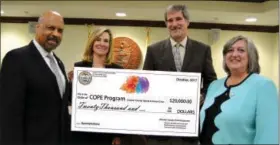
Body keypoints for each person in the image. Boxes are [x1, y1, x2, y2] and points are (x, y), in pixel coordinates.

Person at [143, 4, 217, 145]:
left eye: (178, 19)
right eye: (170, 21)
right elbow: (146, 83)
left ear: (187, 22)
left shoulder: (203, 50)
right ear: (166, 24)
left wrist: (202, 96)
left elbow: (211, 82)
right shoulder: (153, 50)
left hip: (189, 129)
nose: (174, 24)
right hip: (159, 129)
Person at [0, 11, 70, 145]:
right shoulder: (16, 58)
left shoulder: (58, 63)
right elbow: (9, 114)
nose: (55, 34)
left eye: (60, 30)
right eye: (50, 28)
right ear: (38, 27)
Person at [70, 27, 146, 145]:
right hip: (82, 131)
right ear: (92, 43)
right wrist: (72, 84)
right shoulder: (80, 67)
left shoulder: (118, 70)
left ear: (110, 45)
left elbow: (121, 104)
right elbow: (72, 99)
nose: (102, 44)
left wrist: (118, 135)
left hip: (107, 133)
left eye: (106, 41)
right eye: (98, 40)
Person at [199, 35, 278, 144]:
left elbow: (268, 136)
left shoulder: (264, 86)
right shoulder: (214, 85)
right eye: (230, 50)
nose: (234, 54)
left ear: (251, 56)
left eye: (241, 50)